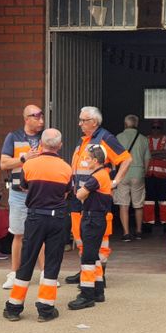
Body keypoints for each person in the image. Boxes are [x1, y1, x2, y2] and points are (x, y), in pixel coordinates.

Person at [4, 128, 71, 323]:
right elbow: (66, 193)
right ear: (60, 146)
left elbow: (24, 187)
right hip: (57, 218)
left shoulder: (29, 165)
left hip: (35, 217)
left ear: (41, 144)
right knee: (52, 262)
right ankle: (46, 309)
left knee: (27, 261)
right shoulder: (66, 168)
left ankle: (14, 307)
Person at [65, 106, 131, 285]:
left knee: (99, 239)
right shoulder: (84, 140)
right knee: (79, 235)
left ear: (94, 122)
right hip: (78, 197)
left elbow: (126, 159)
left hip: (95, 199)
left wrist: (114, 182)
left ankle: (99, 275)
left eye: (83, 120)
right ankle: (85, 270)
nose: (79, 124)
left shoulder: (105, 138)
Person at [0, 105, 45, 290]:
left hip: (40, 191)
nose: (41, 121)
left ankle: (45, 273)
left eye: (42, 117)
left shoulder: (45, 137)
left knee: (41, 234)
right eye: (37, 117)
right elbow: (4, 164)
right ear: (26, 119)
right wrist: (24, 158)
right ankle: (14, 273)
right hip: (18, 193)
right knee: (18, 233)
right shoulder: (13, 137)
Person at [68, 144, 114, 310]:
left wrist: (81, 191)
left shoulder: (96, 177)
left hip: (92, 219)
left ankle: (86, 295)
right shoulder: (102, 174)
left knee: (87, 257)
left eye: (88, 158)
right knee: (94, 256)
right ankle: (98, 291)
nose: (85, 161)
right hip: (96, 219)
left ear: (95, 160)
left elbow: (79, 194)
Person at [115, 114, 150, 241]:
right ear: (137, 124)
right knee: (138, 204)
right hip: (138, 172)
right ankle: (139, 231)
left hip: (122, 173)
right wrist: (144, 172)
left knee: (123, 204)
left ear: (125, 124)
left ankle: (126, 233)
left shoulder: (118, 137)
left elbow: (114, 157)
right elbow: (147, 158)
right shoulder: (143, 139)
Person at [143, 120, 166, 231]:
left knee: (164, 200)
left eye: (158, 127)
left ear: (161, 128)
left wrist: (151, 153)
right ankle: (147, 224)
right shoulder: (145, 139)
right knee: (148, 200)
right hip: (149, 175)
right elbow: (145, 154)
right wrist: (159, 152)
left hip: (163, 176)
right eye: (153, 127)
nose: (155, 130)